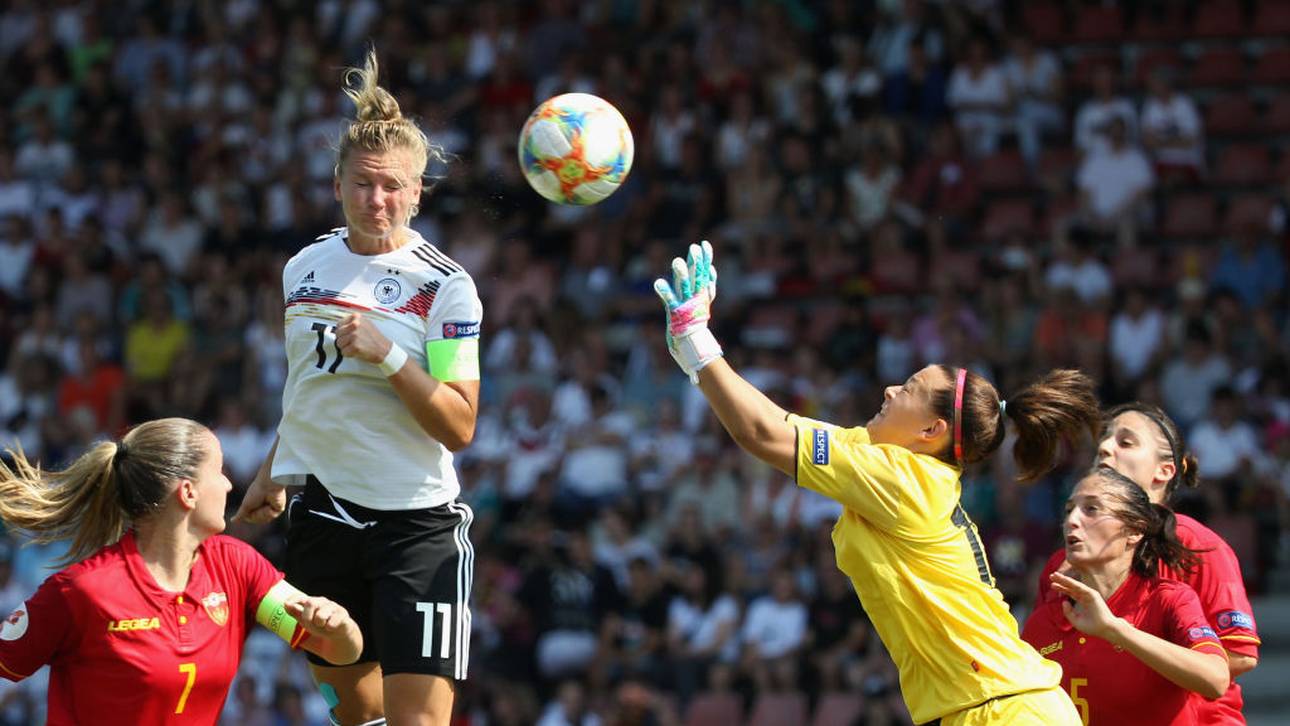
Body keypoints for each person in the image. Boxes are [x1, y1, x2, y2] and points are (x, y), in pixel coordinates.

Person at [653, 242, 1098, 725]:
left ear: (931, 431)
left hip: (1008, 711)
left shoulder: (903, 480)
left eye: (909, 389)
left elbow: (762, 434)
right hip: (978, 709)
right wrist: (695, 355)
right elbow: (775, 424)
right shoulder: (879, 458)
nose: (889, 389)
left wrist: (697, 339)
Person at [234, 49, 483, 726]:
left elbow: (459, 424)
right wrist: (274, 471)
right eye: (364, 184)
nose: (379, 200)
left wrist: (389, 357)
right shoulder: (304, 268)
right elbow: (312, 387)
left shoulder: (446, 287)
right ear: (336, 184)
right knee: (356, 719)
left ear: (419, 190)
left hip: (416, 529)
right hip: (323, 518)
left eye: (394, 186)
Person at [0, 418, 362, 726]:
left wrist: (340, 626)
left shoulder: (238, 566)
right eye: (218, 472)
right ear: (188, 493)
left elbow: (336, 649)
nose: (229, 484)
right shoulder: (83, 591)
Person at [1037, 403, 1260, 723]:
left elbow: (1238, 655)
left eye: (1125, 442)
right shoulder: (1062, 563)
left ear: (1164, 471)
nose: (1104, 447)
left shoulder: (1200, 548)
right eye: (1104, 439)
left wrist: (1124, 643)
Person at [1022, 467, 1229, 724]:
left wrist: (1115, 630)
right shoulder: (1043, 621)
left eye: (1092, 509)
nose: (1072, 520)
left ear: (1134, 531)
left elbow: (1216, 680)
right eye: (1068, 510)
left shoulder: (1169, 599)